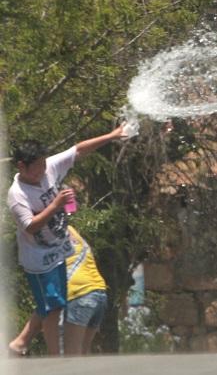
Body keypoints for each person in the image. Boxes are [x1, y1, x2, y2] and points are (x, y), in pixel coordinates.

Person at [7, 124, 124, 355]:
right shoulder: (17, 194)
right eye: (37, 166)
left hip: (59, 252)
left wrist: (113, 135)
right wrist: (55, 205)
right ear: (22, 166)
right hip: (39, 260)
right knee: (52, 307)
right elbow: (30, 226)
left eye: (43, 163)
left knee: (56, 305)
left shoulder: (48, 166)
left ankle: (23, 344)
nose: (43, 169)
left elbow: (78, 150)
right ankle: (50, 355)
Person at [9, 226, 108, 356]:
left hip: (78, 295)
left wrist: (22, 340)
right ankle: (19, 343)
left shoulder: (42, 239)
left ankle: (19, 344)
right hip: (98, 293)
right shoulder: (68, 230)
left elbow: (49, 302)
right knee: (82, 357)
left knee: (70, 358)